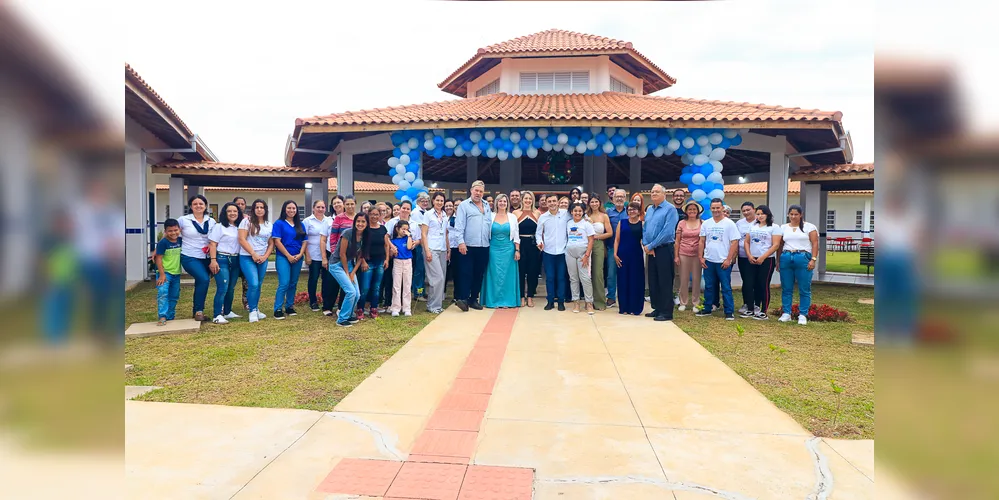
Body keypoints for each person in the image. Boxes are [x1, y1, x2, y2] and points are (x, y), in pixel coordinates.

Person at [696, 199, 741, 320]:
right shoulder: (706, 223)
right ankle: (707, 308)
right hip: (709, 260)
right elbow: (701, 241)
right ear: (710, 209)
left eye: (718, 208)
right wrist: (701, 257)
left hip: (723, 261)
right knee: (709, 286)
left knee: (726, 287)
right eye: (713, 208)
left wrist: (728, 259)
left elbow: (734, 242)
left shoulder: (729, 223)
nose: (716, 210)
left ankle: (729, 311)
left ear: (722, 208)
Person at [642, 184, 679, 322]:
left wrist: (652, 245)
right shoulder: (650, 209)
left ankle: (666, 311)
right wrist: (646, 245)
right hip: (651, 250)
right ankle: (657, 308)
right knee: (653, 280)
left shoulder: (670, 209)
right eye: (652, 192)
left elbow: (668, 231)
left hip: (663, 249)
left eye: (657, 192)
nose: (654, 194)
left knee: (664, 280)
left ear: (664, 194)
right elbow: (645, 228)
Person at [453, 180, 492, 311]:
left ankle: (473, 299)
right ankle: (463, 299)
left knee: (479, 273)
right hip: (468, 245)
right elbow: (459, 226)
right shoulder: (464, 206)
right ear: (471, 190)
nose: (478, 193)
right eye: (476, 190)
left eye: (481, 191)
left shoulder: (487, 205)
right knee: (466, 273)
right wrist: (461, 242)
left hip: (484, 245)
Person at [778, 205, 819, 325]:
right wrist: (778, 260)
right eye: (791, 214)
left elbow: (815, 243)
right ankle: (786, 313)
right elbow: (780, 245)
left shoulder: (809, 227)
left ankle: (803, 314)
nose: (793, 216)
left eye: (796, 214)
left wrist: (813, 259)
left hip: (803, 256)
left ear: (801, 215)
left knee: (804, 288)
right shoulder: (784, 227)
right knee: (786, 287)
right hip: (786, 256)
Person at [178, 195, 216, 322]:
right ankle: (199, 310)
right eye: (195, 204)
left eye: (201, 203)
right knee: (204, 279)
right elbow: (170, 233)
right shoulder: (183, 220)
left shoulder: (211, 221)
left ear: (205, 206)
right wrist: (159, 249)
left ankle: (197, 311)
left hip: (206, 257)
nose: (198, 206)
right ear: (190, 206)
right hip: (189, 256)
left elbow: (215, 239)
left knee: (202, 282)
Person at [480, 194, 521, 308]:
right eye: (500, 201)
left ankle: (508, 301)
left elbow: (516, 235)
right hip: (493, 248)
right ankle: (493, 300)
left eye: (505, 201)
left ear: (507, 203)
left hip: (509, 249)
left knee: (508, 275)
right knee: (494, 275)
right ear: (496, 203)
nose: (502, 203)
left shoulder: (512, 217)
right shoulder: (490, 216)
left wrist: (517, 250)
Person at [238, 200, 274, 323]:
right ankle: (252, 311)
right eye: (257, 207)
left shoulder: (269, 224)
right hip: (247, 257)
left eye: (262, 207)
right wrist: (253, 254)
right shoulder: (246, 222)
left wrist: (265, 256)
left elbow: (271, 243)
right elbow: (242, 240)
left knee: (258, 285)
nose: (259, 209)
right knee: (252, 284)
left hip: (262, 258)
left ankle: (256, 307)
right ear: (253, 209)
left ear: (265, 210)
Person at [328, 213, 367, 327]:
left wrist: (353, 272)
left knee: (357, 294)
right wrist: (347, 273)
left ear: (367, 223)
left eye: (363, 222)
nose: (360, 224)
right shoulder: (347, 233)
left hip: (350, 264)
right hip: (337, 264)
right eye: (358, 221)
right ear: (354, 222)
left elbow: (361, 257)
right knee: (350, 291)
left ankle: (349, 314)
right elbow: (342, 254)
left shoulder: (366, 236)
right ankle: (342, 319)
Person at [744, 205, 782, 320]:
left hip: (766, 260)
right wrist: (749, 255)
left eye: (762, 214)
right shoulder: (752, 226)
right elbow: (746, 242)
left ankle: (763, 310)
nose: (760, 216)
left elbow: (776, 245)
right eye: (758, 214)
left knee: (763, 284)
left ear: (767, 214)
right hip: (752, 259)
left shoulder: (774, 227)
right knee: (750, 284)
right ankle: (751, 308)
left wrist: (763, 257)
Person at [271, 201, 307, 319]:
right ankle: (278, 308)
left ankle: (289, 306)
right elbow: (277, 241)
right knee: (284, 283)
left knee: (293, 283)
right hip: (283, 257)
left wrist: (301, 254)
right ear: (284, 209)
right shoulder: (279, 223)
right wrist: (288, 256)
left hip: (298, 257)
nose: (291, 210)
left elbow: (304, 241)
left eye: (294, 208)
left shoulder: (300, 224)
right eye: (289, 208)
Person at [208, 202, 243, 324]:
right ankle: (217, 314)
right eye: (229, 211)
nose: (232, 213)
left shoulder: (240, 227)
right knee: (222, 287)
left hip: (235, 259)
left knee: (231, 288)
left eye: (235, 211)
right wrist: (213, 260)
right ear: (225, 213)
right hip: (222, 259)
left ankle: (227, 312)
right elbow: (212, 244)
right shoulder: (219, 227)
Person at [536, 193, 570, 311]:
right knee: (550, 277)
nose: (552, 203)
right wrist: (539, 242)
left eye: (554, 201)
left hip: (563, 251)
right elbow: (538, 233)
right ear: (546, 203)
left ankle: (561, 301)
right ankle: (550, 301)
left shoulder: (566, 214)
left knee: (561, 277)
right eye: (549, 201)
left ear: (557, 202)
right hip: (548, 251)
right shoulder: (543, 217)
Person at [614, 202, 646, 316]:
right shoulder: (621, 223)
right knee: (623, 280)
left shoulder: (642, 224)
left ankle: (635, 307)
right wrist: (615, 254)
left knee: (635, 280)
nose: (631, 211)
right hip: (622, 255)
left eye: (634, 209)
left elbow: (645, 239)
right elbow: (617, 239)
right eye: (629, 209)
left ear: (638, 211)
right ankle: (624, 307)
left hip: (636, 255)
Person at [358, 206, 390, 319]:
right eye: (372, 214)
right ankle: (360, 309)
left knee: (376, 288)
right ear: (368, 215)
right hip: (368, 263)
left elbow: (386, 245)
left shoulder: (383, 229)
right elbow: (360, 247)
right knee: (365, 287)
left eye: (377, 214)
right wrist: (362, 261)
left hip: (380, 262)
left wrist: (386, 259)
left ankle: (374, 308)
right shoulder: (364, 229)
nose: (374, 216)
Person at [565, 202, 596, 314]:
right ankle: (576, 302)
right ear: (571, 212)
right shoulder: (568, 223)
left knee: (585, 279)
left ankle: (589, 303)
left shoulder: (587, 224)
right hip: (569, 253)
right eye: (575, 211)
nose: (577, 213)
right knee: (573, 278)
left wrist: (587, 255)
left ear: (583, 212)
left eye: (579, 211)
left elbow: (591, 240)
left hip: (583, 254)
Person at [422, 193, 450, 314]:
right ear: (433, 201)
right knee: (437, 278)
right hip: (431, 248)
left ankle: (435, 305)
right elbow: (423, 233)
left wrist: (448, 250)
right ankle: (433, 305)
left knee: (441, 278)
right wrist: (427, 250)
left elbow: (446, 234)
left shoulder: (445, 215)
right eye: (437, 200)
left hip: (442, 249)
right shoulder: (428, 214)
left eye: (441, 200)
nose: (439, 202)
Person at [674, 201, 704, 312]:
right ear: (686, 211)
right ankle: (683, 302)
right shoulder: (681, 223)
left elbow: (704, 240)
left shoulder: (702, 223)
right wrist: (676, 256)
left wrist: (702, 255)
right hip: (683, 254)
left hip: (697, 254)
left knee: (697, 279)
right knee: (683, 279)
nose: (692, 211)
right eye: (690, 209)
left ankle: (696, 303)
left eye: (694, 209)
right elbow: (677, 241)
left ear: (698, 211)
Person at [303, 200, 332, 313]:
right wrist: (307, 255)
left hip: (326, 255)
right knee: (313, 279)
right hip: (313, 255)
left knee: (326, 280)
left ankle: (326, 300)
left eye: (323, 207)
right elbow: (304, 239)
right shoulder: (307, 221)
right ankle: (313, 301)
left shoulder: (329, 220)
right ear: (313, 208)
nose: (320, 209)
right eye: (318, 207)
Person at [514, 190, 541, 307]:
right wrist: (517, 249)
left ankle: (530, 296)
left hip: (533, 244)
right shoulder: (515, 213)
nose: (528, 201)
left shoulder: (537, 213)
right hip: (520, 243)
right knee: (520, 271)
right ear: (522, 199)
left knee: (532, 271)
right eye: (526, 198)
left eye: (530, 199)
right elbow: (514, 232)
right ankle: (521, 296)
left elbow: (540, 231)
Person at [154, 219, 183, 326]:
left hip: (176, 273)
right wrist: (162, 274)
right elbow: (158, 258)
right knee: (163, 294)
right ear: (165, 231)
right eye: (170, 231)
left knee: (174, 295)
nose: (173, 233)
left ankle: (170, 316)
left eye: (175, 230)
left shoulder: (180, 241)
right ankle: (162, 316)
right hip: (165, 273)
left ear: (179, 229)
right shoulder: (163, 243)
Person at [328, 196, 354, 312]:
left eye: (352, 204)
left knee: (349, 282)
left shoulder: (359, 218)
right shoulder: (339, 218)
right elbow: (333, 237)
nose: (349, 206)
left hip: (352, 257)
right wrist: (334, 252)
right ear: (344, 205)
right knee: (336, 282)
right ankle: (330, 305)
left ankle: (342, 307)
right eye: (347, 204)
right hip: (339, 256)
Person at [587, 193, 612, 310]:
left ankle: (600, 301)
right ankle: (588, 301)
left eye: (596, 201)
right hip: (585, 245)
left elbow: (610, 233)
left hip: (598, 244)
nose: (594, 204)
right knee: (586, 274)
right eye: (592, 202)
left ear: (600, 203)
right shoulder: (585, 215)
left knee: (598, 273)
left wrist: (596, 237)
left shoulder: (604, 216)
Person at [389, 220, 418, 316]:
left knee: (407, 284)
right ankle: (396, 308)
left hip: (408, 262)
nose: (405, 231)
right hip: (397, 262)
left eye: (407, 229)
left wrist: (409, 235)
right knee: (396, 285)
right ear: (397, 229)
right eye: (403, 229)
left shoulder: (408, 239)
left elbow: (409, 247)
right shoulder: (394, 241)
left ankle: (406, 308)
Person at [605, 188, 628, 308]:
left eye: (621, 197)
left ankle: (625, 296)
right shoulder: (608, 212)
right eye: (617, 196)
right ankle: (611, 297)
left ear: (625, 199)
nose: (619, 199)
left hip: (626, 247)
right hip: (611, 247)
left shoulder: (629, 212)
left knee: (625, 273)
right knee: (611, 273)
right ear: (613, 199)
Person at [735, 201, 758, 316]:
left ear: (754, 209)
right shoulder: (739, 223)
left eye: (748, 210)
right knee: (746, 281)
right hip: (743, 256)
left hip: (756, 256)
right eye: (743, 211)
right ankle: (746, 303)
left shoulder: (759, 222)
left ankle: (756, 304)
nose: (746, 212)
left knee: (755, 281)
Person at [411, 193, 431, 302]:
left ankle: (422, 291)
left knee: (423, 269)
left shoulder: (427, 212)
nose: (425, 203)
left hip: (426, 242)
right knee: (419, 269)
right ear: (418, 202)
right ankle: (418, 293)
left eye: (427, 201)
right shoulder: (415, 213)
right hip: (419, 243)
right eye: (423, 201)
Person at [233, 196, 250, 311]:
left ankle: (247, 302)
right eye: (237, 204)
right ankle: (227, 304)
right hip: (232, 254)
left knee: (247, 281)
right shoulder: (229, 219)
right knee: (231, 282)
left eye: (242, 204)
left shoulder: (249, 220)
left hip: (245, 254)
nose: (240, 206)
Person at [445, 199, 460, 300]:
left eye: (459, 205)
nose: (457, 207)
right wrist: (448, 249)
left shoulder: (466, 218)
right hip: (451, 247)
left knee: (460, 273)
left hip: (462, 247)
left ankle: (458, 295)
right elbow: (446, 233)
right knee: (449, 271)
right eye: (456, 205)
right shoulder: (450, 218)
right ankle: (443, 293)